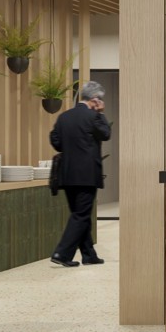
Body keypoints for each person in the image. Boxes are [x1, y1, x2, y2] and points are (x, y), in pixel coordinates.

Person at [49, 80, 111, 267]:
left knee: (79, 213)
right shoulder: (93, 117)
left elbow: (56, 142)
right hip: (87, 175)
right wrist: (100, 114)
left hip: (67, 175)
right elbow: (106, 134)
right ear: (95, 100)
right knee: (81, 215)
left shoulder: (64, 117)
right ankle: (62, 254)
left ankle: (88, 254)